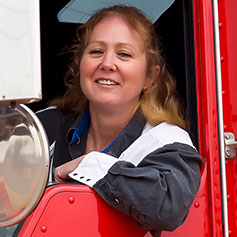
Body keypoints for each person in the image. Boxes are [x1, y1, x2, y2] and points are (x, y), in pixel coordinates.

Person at [37, 5, 202, 236]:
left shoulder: (166, 141)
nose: (107, 64)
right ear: (79, 66)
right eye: (96, 51)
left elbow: (168, 206)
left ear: (150, 77)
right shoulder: (42, 128)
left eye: (124, 54)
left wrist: (90, 165)